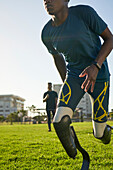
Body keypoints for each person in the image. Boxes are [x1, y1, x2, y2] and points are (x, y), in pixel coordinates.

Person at [42, 0, 113, 160]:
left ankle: (105, 130)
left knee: (100, 134)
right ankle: (78, 157)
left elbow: (110, 39)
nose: (47, 0)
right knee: (59, 122)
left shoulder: (84, 13)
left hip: (99, 76)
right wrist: (68, 83)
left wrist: (96, 66)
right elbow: (57, 58)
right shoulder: (46, 33)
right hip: (75, 77)